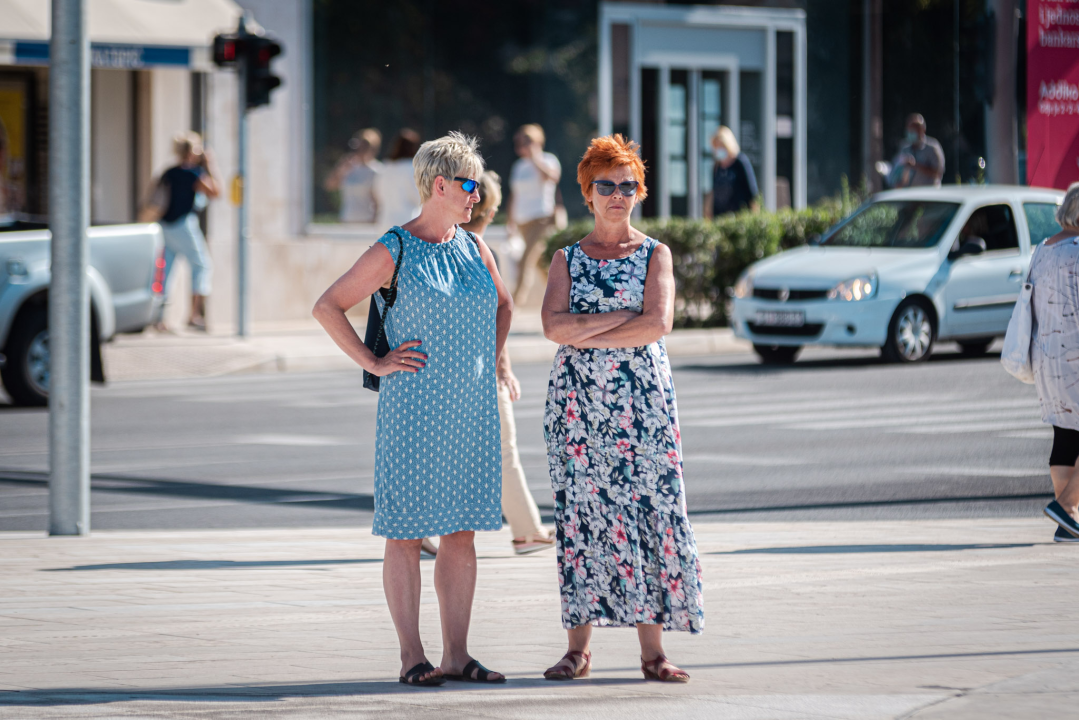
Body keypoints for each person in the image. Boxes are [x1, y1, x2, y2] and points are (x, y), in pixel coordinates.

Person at [313, 132, 513, 687]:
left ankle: (457, 654)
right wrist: (374, 362)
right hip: (413, 414)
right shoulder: (394, 249)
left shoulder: (475, 248)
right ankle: (411, 656)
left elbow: (504, 304)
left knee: (463, 533)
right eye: (469, 184)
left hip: (471, 413)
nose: (478, 195)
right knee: (404, 534)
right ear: (440, 184)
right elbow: (328, 306)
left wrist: (487, 361)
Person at [540, 134, 704, 683]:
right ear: (587, 193)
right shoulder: (565, 258)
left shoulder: (656, 253)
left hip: (644, 409)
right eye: (605, 185)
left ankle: (653, 654)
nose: (617, 194)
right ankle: (577, 650)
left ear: (640, 191)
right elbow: (552, 327)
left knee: (648, 514)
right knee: (582, 519)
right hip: (579, 411)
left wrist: (586, 327)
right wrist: (619, 318)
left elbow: (658, 322)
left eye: (627, 185)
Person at [463, 170, 555, 555]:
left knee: (449, 454)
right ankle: (528, 531)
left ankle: (422, 534)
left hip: (448, 371)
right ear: (492, 209)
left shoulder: (441, 247)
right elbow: (496, 317)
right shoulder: (481, 251)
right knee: (504, 451)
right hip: (481, 372)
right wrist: (504, 370)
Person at [1030, 182, 1079, 544]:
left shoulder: (1042, 250)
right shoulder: (1078, 252)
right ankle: (1068, 506)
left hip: (1046, 358)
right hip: (1076, 356)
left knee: (1065, 435)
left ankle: (1069, 523)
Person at [147, 132, 220, 331]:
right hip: (183, 225)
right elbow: (215, 192)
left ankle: (158, 319)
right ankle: (194, 316)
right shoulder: (193, 173)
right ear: (192, 152)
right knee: (202, 266)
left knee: (164, 271)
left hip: (164, 225)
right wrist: (210, 164)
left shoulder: (168, 172)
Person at [508, 124, 561, 304]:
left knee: (525, 261)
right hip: (523, 221)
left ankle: (512, 307)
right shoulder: (518, 166)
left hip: (541, 220)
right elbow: (514, 196)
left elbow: (552, 177)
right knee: (541, 265)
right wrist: (510, 222)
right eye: (521, 141)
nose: (523, 145)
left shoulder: (548, 160)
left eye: (527, 140)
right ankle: (561, 299)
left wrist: (535, 158)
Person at [325, 128, 382, 223]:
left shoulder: (377, 170)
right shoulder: (349, 167)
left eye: (365, 146)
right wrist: (340, 168)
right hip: (347, 219)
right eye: (359, 145)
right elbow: (330, 185)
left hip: (367, 221)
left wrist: (375, 220)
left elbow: (379, 200)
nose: (361, 150)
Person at [374, 129, 422, 228]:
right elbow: (419, 197)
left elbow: (377, 194)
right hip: (408, 222)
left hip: (384, 222)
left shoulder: (385, 168)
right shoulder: (412, 169)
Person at [709, 125, 758, 217]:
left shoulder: (740, 162)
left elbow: (752, 192)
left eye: (721, 146)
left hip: (740, 218)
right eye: (716, 147)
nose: (718, 150)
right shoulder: (717, 167)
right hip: (720, 218)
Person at [890, 113, 944, 188]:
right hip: (910, 196)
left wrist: (916, 166)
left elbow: (938, 173)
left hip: (930, 195)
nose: (911, 132)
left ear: (923, 130)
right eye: (909, 129)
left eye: (914, 129)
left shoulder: (932, 147)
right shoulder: (904, 148)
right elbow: (900, 173)